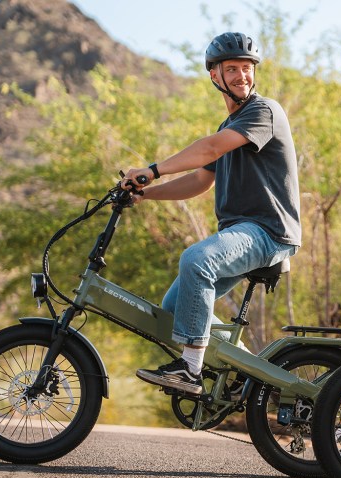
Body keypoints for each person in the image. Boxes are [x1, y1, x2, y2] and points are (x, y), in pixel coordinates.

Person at [119, 32, 301, 395]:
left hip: (268, 232)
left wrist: (152, 169)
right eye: (231, 69)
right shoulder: (230, 127)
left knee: (196, 261)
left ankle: (190, 370)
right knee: (175, 309)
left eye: (247, 68)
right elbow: (200, 180)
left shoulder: (264, 112)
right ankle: (248, 371)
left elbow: (209, 150)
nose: (241, 76)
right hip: (243, 233)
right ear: (215, 76)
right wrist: (147, 193)